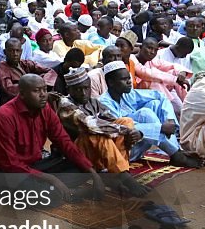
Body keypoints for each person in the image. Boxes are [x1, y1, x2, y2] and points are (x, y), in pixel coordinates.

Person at [0, 74, 105, 207]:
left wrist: (92, 172)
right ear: (22, 94)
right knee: (36, 192)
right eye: (36, 91)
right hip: (3, 172)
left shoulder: (45, 109)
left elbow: (64, 142)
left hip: (33, 165)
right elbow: (10, 164)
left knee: (82, 167)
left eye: (45, 89)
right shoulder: (4, 117)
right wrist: (52, 179)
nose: (43, 95)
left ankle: (55, 191)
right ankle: (65, 193)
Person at [54, 67, 150, 197]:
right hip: (74, 152)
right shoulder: (65, 104)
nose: (83, 93)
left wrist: (131, 131)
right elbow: (89, 124)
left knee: (125, 121)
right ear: (69, 90)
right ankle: (123, 176)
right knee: (97, 133)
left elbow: (111, 120)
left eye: (86, 88)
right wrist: (125, 131)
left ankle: (120, 171)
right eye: (77, 89)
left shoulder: (93, 102)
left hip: (94, 151)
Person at [100, 62, 204, 168]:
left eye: (129, 78)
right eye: (124, 79)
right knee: (145, 113)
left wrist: (170, 119)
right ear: (111, 82)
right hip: (120, 151)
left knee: (154, 103)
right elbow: (121, 128)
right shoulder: (104, 103)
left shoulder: (127, 94)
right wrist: (160, 128)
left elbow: (159, 95)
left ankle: (175, 151)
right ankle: (176, 154)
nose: (129, 82)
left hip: (138, 143)